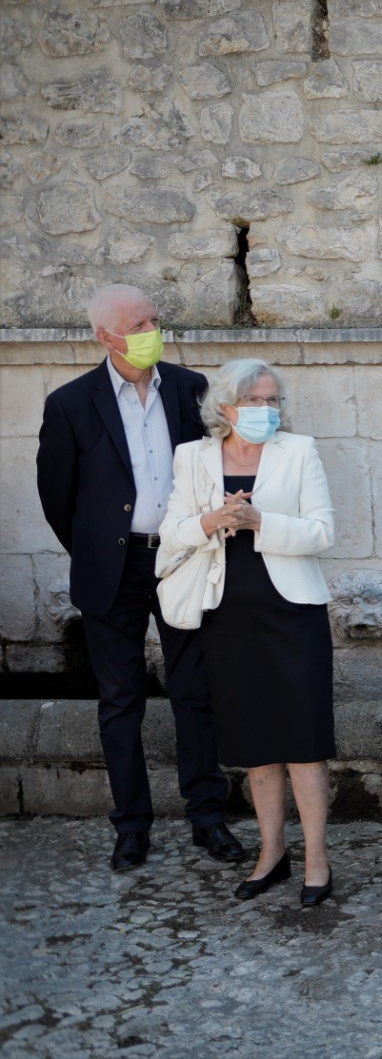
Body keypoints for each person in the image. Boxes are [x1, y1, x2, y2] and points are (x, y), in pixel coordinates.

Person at [35, 284, 243, 872]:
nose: (154, 331)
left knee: (194, 689)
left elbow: (216, 465)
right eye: (140, 324)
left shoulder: (189, 387)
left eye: (155, 319)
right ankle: (131, 826)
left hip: (182, 556)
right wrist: (99, 551)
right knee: (120, 699)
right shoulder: (70, 404)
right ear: (107, 337)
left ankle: (208, 816)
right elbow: (57, 497)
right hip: (114, 568)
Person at [160, 359, 337, 905]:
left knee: (305, 742)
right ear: (225, 407)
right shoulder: (191, 456)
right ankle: (271, 853)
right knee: (256, 744)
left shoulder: (299, 450)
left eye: (273, 400)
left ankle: (317, 860)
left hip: (293, 614)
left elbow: (322, 532)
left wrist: (261, 522)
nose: (267, 409)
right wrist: (211, 521)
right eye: (255, 400)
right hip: (227, 615)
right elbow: (172, 532)